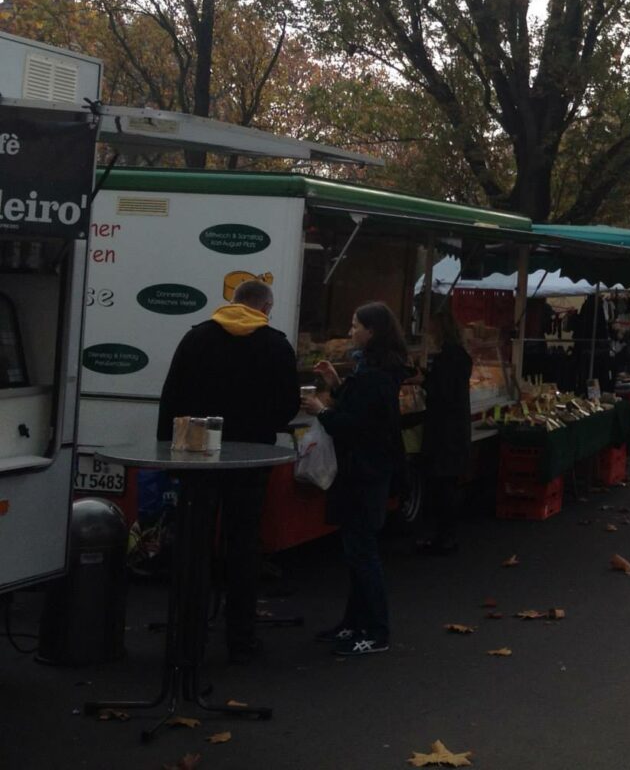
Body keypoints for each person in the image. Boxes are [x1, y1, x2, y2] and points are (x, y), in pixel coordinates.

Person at [156, 279, 298, 663]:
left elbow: (171, 397)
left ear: (231, 303)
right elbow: (287, 407)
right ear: (265, 308)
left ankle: (188, 632)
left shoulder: (196, 339)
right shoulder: (277, 345)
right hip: (251, 460)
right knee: (242, 546)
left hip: (197, 456)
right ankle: (241, 636)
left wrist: (168, 453)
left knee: (195, 544)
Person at [303, 302, 409, 657]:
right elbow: (361, 411)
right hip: (369, 472)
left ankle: (376, 631)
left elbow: (354, 426)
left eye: (355, 325)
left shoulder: (375, 375)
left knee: (362, 554)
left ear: (372, 331)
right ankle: (353, 622)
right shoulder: (374, 371)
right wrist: (336, 384)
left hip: (363, 473)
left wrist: (322, 410)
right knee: (356, 552)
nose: (350, 331)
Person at [414, 303, 472, 556]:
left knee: (442, 485)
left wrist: (424, 381)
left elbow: (442, 392)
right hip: (456, 429)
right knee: (447, 484)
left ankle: (444, 537)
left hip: (445, 431)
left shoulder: (448, 356)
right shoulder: (459, 355)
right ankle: (446, 535)